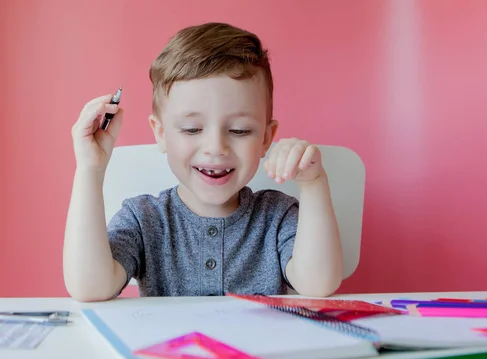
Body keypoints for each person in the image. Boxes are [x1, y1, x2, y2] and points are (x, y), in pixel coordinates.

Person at [63, 22, 343, 302]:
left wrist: (314, 183)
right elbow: (90, 288)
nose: (215, 148)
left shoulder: (277, 215)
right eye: (192, 129)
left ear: (266, 138)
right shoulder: (144, 218)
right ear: (161, 134)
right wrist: (90, 169)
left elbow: (318, 284)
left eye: (239, 131)